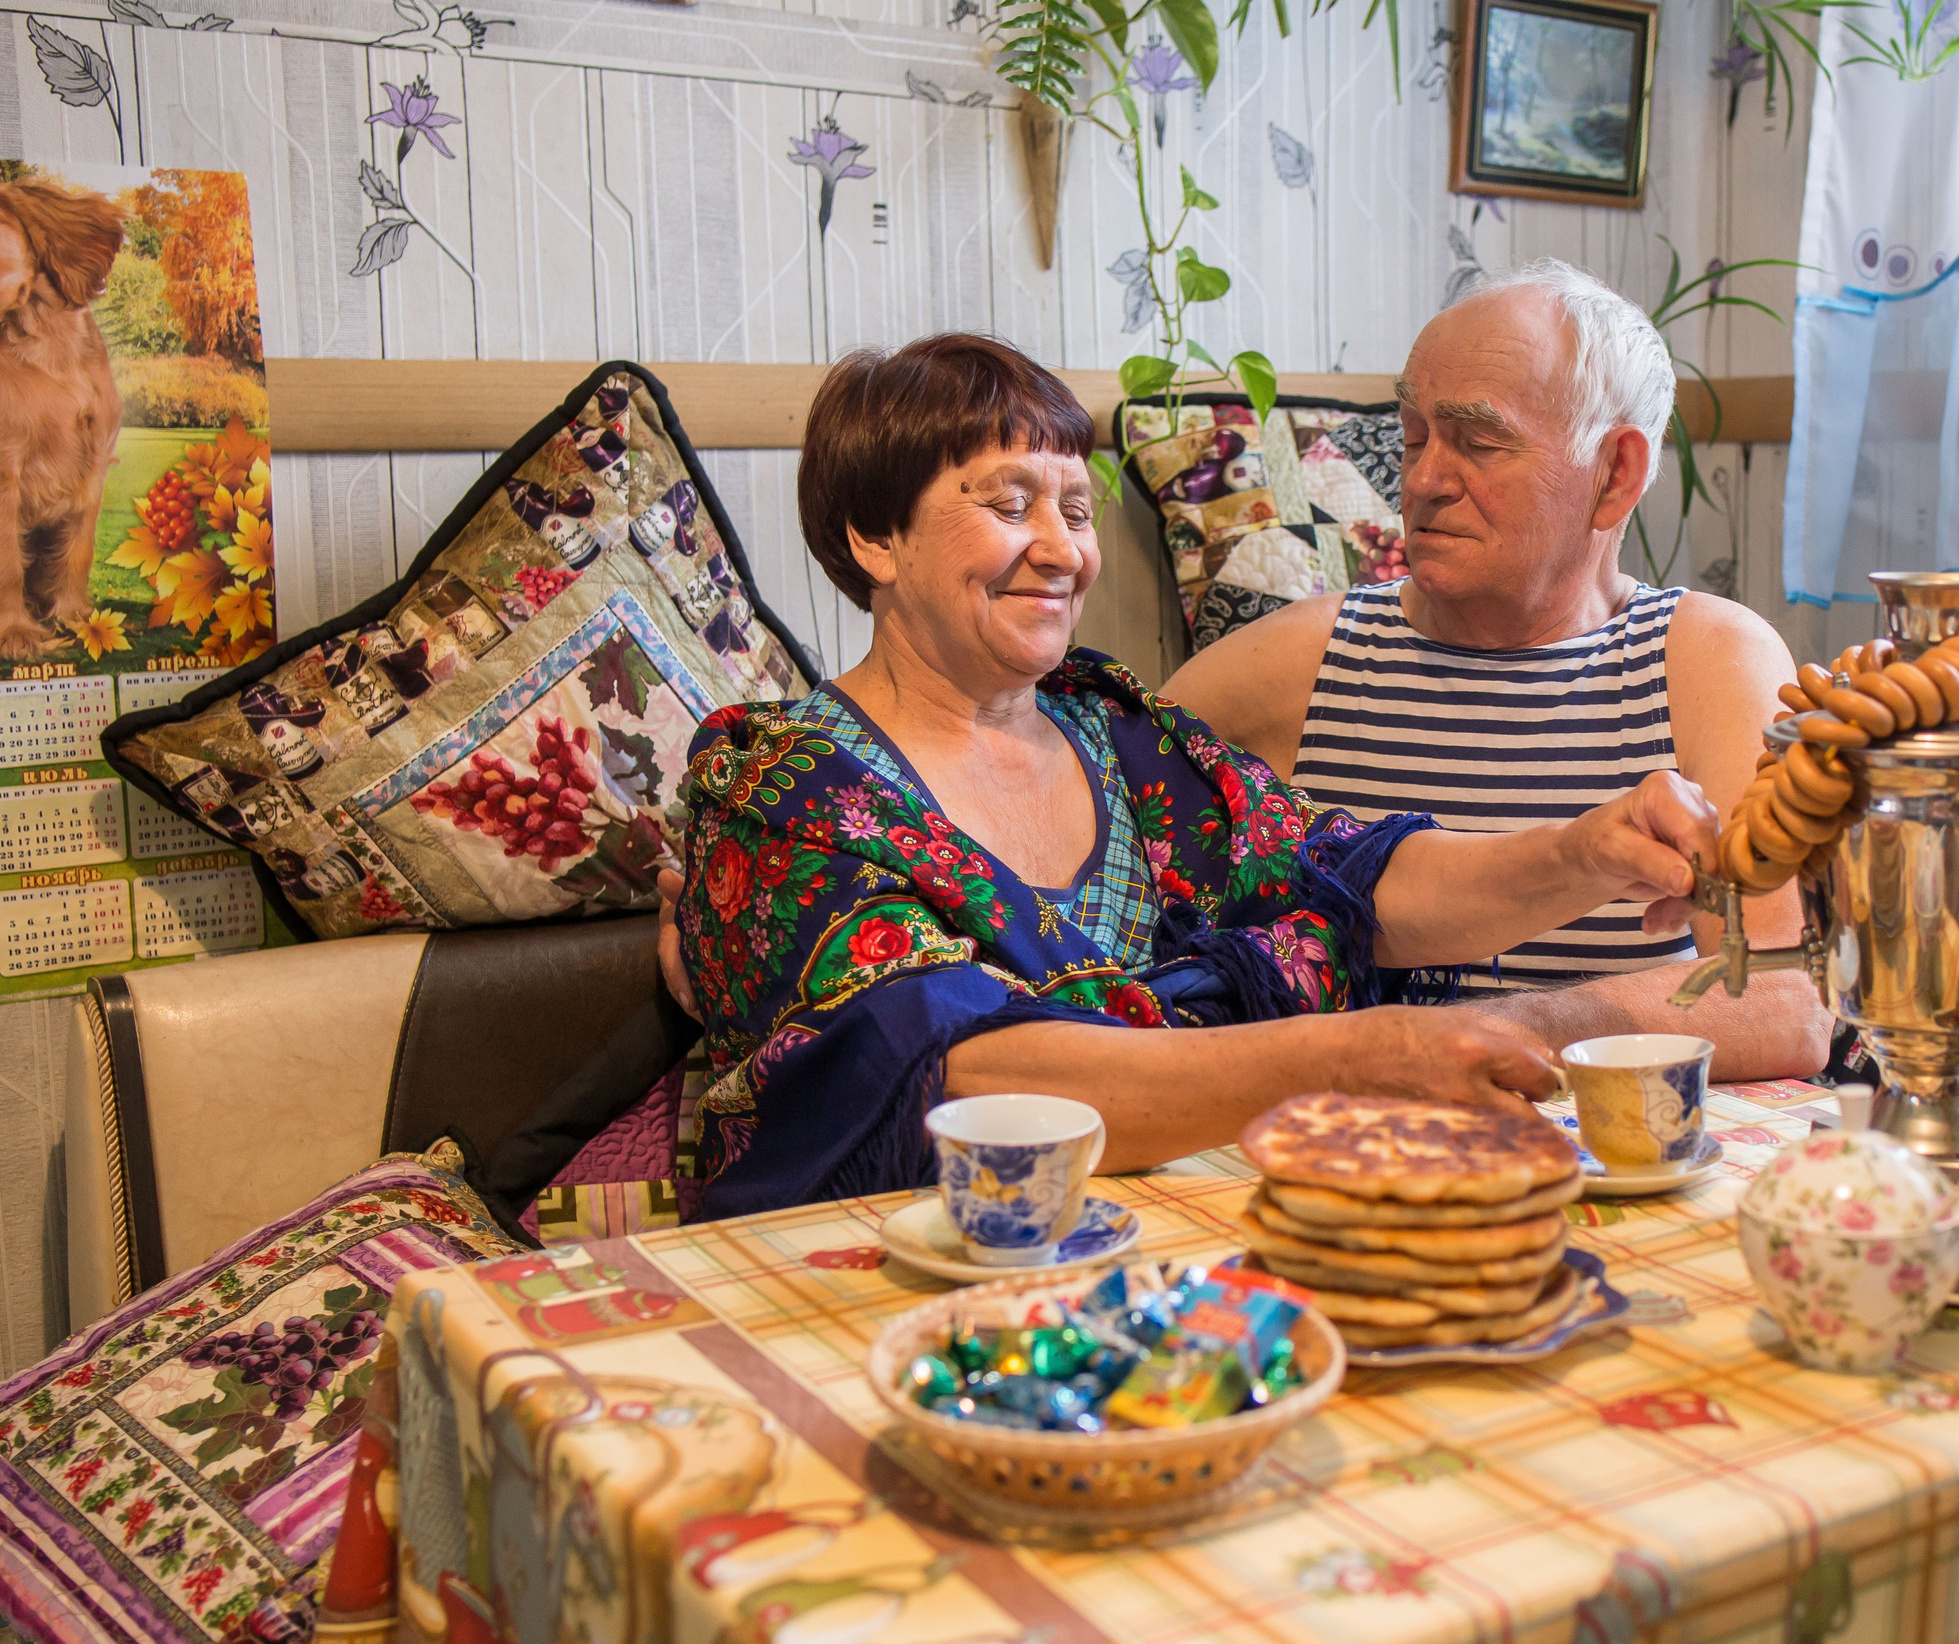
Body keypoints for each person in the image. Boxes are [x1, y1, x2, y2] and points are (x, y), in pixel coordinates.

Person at [674, 333, 1724, 1219]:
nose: (1061, 550)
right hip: (910, 1264)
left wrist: (1586, 852)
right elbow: (957, 1079)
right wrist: (1349, 1055)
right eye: (1009, 504)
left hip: (1168, 1239)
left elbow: (1348, 886)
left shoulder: (1118, 735)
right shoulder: (784, 790)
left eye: (1075, 511)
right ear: (874, 538)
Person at [1161, 260, 1831, 1079]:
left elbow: (1780, 999)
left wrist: (1496, 1034)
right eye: (1413, 437)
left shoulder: (1707, 661)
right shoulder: (1297, 662)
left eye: (1478, 442)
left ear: (1615, 474)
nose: (1423, 480)